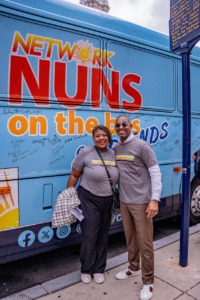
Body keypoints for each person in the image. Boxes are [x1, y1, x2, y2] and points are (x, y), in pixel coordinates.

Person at [114, 115, 162, 300]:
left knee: (145, 242)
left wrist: (154, 199)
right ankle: (133, 268)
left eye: (124, 124)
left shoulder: (142, 146)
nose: (121, 127)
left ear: (131, 126)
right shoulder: (117, 147)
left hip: (142, 202)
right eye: (117, 125)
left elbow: (155, 172)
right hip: (125, 202)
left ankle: (148, 282)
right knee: (130, 238)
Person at [66, 125, 119, 285]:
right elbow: (75, 175)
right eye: (97, 136)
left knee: (103, 235)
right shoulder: (86, 153)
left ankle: (99, 269)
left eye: (104, 135)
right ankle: (86, 269)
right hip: (88, 199)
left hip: (108, 200)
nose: (101, 138)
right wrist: (69, 196)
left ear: (109, 138)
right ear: (93, 138)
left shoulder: (114, 154)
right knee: (90, 235)